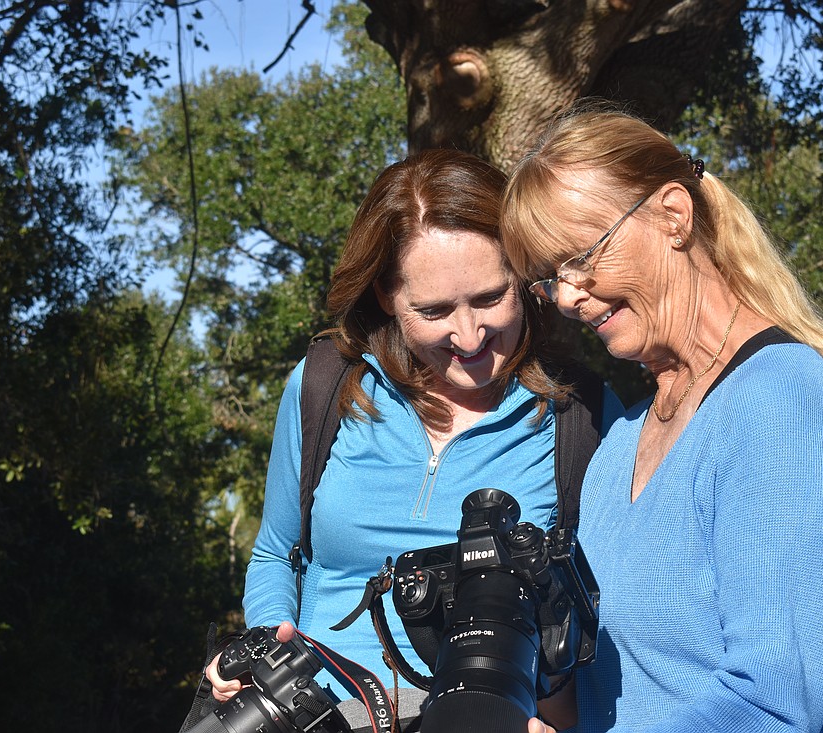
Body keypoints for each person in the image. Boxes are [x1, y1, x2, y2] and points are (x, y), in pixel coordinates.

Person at [500, 107, 823, 733]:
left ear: (673, 214)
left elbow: (773, 704)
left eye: (582, 258)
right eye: (548, 280)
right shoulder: (619, 445)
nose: (567, 297)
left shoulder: (784, 403)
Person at [205, 148, 624, 715]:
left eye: (490, 297)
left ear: (525, 279)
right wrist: (268, 654)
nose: (470, 335)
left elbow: (598, 613)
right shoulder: (324, 385)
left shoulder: (583, 414)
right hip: (318, 712)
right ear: (385, 296)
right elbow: (277, 553)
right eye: (433, 310)